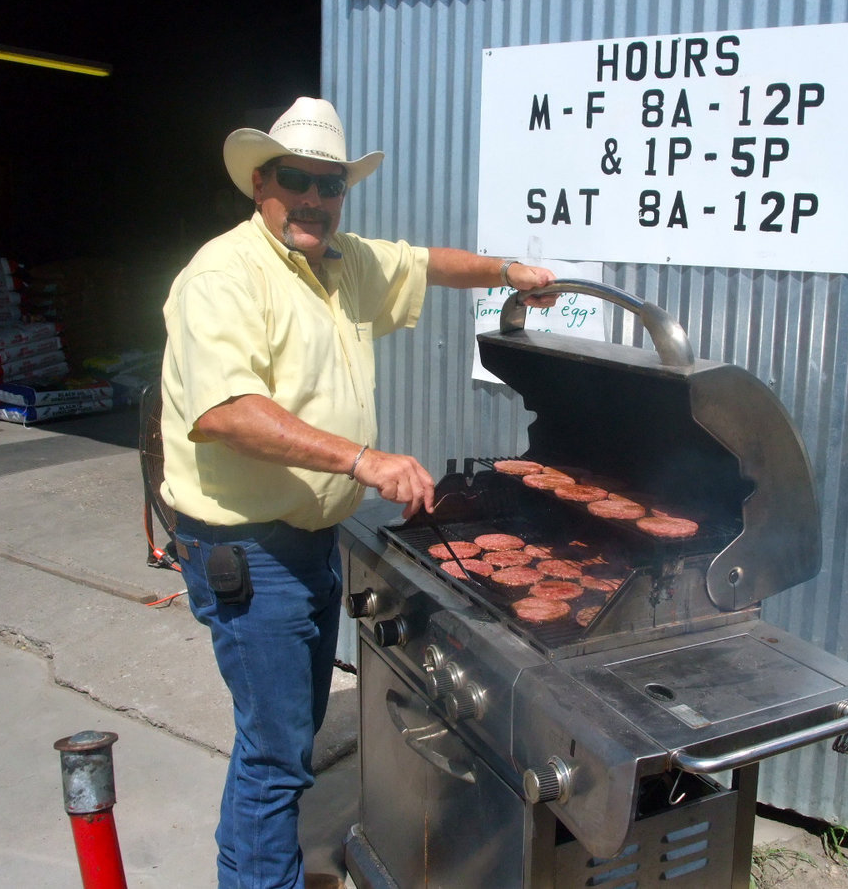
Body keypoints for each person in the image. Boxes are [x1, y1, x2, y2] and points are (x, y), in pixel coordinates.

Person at [159, 96, 556, 889]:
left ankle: (242, 871)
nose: (314, 197)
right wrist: (361, 460)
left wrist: (507, 272)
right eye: (297, 179)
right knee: (278, 760)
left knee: (278, 740)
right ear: (260, 184)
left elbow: (425, 262)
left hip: (306, 542)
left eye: (329, 184)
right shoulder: (223, 275)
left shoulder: (338, 261)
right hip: (248, 550)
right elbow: (225, 411)